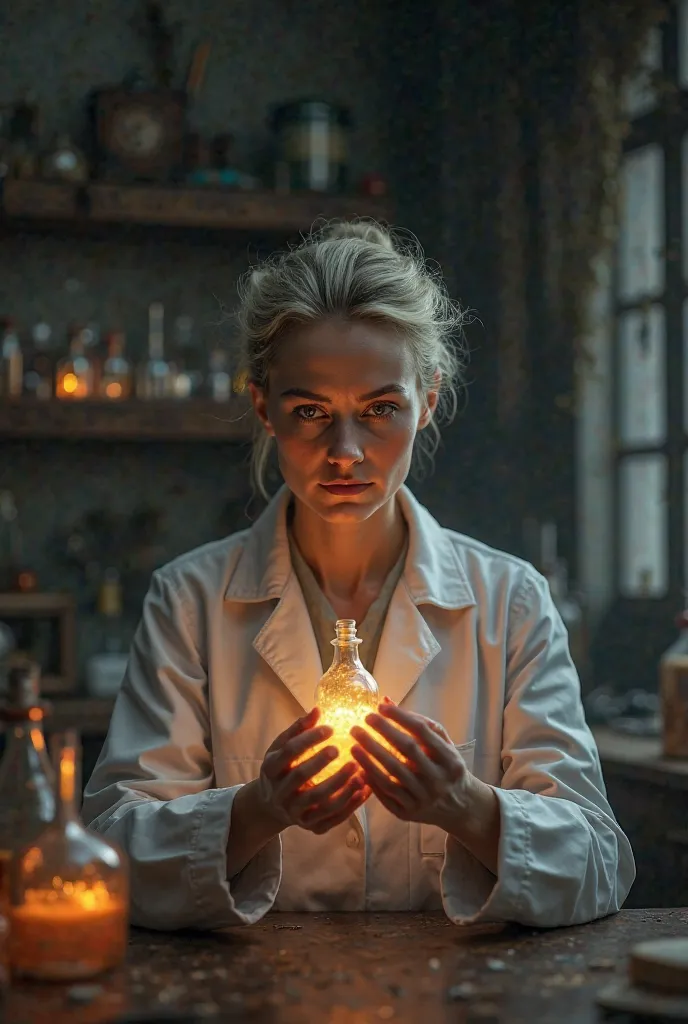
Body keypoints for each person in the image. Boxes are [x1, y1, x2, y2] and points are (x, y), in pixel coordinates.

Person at [82, 221, 635, 931]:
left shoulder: (510, 602)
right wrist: (257, 811)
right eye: (310, 411)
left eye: (380, 410)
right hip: (257, 995)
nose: (344, 451)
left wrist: (465, 804)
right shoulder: (190, 601)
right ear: (263, 407)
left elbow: (599, 862)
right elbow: (108, 855)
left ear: (428, 401)